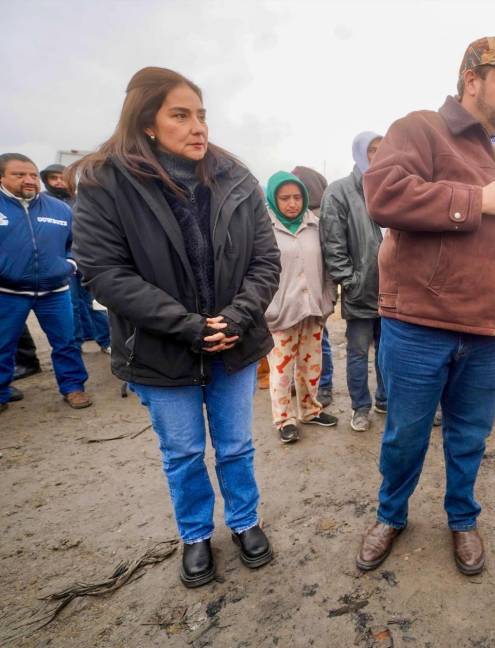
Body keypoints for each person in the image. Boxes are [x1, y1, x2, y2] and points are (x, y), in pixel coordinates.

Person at [71, 67, 281, 588]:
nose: (198, 128)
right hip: (160, 348)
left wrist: (235, 317)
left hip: (232, 342)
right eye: (181, 116)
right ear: (147, 122)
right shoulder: (105, 183)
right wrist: (187, 326)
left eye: (202, 116)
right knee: (184, 451)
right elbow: (104, 272)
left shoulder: (236, 177)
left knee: (235, 446)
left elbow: (265, 260)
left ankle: (244, 522)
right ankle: (194, 535)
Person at [356, 36, 495, 576]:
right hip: (420, 324)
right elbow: (383, 195)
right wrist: (474, 200)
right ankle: (391, 515)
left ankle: (462, 518)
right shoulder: (422, 130)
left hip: (487, 332)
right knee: (406, 434)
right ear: (471, 79)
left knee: (469, 437)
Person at [0, 153, 91, 413]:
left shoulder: (59, 208)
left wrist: (70, 264)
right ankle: (1, 393)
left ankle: (73, 387)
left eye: (32, 174)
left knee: (66, 342)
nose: (29, 180)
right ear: (2, 178)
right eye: (19, 175)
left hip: (55, 291)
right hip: (8, 293)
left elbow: (77, 243)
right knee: (3, 345)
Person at [263, 170, 338, 443]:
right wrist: (266, 308)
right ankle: (284, 419)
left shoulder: (315, 226)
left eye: (297, 197)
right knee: (281, 370)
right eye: (285, 198)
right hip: (281, 313)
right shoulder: (264, 229)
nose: (292, 203)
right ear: (274, 199)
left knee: (311, 365)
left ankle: (309, 410)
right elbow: (255, 272)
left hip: (313, 310)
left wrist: (328, 299)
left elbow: (329, 267)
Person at [321, 132, 387, 431]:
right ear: (359, 152)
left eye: (382, 149)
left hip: (393, 291)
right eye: (372, 149)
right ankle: (360, 406)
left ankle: (385, 399)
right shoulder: (340, 192)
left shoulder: (389, 186)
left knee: (389, 350)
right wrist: (351, 280)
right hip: (361, 288)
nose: (377, 154)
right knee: (359, 351)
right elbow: (333, 242)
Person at [40, 163, 113, 354]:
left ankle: (105, 341)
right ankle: (77, 342)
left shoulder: (81, 199)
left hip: (88, 261)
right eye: (53, 178)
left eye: (62, 177)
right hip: (64, 264)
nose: (58, 182)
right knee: (72, 305)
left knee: (96, 304)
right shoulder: (43, 203)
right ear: (46, 181)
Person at [291, 165, 335, 406]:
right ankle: (309, 385)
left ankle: (323, 384)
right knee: (300, 340)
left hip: (316, 292)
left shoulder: (318, 221)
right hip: (296, 292)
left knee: (319, 339)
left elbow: (329, 259)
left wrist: (328, 296)